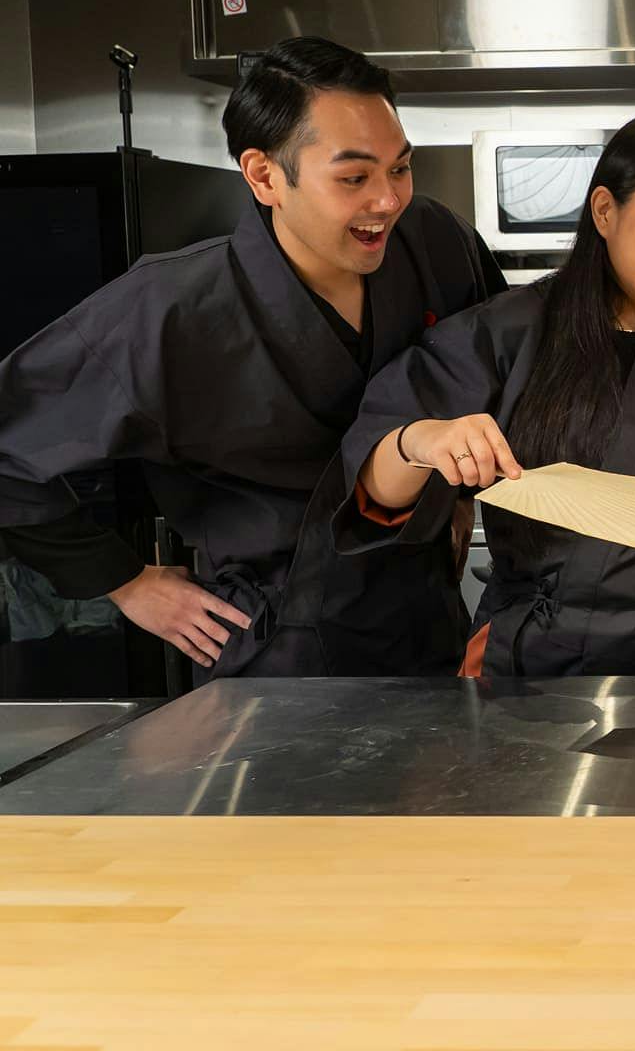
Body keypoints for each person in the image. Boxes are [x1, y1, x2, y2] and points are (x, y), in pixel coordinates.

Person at [0, 37, 504, 677]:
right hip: (274, 643)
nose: (387, 201)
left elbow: (504, 379)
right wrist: (123, 581)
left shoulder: (435, 241)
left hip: (430, 620)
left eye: (400, 168)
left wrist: (462, 508)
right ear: (264, 175)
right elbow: (9, 451)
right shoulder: (169, 309)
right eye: (354, 177)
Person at [339, 113, 635, 677]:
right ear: (604, 211)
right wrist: (419, 440)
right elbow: (377, 489)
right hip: (536, 678)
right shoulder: (506, 336)